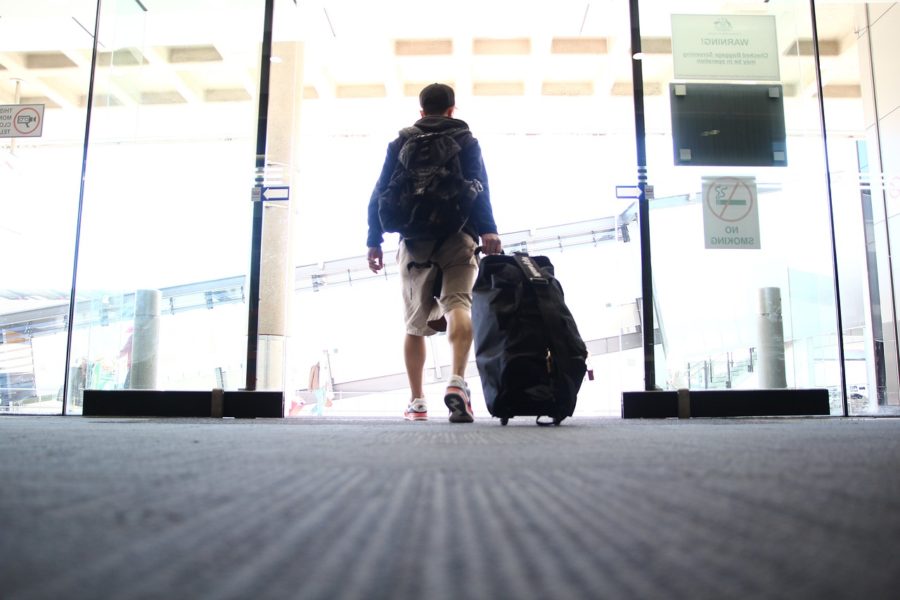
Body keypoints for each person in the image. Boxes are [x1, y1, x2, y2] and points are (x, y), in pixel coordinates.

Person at [366, 83, 502, 423]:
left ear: (421, 111)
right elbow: (480, 187)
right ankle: (457, 380)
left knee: (414, 325)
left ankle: (418, 401)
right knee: (459, 304)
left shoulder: (401, 142)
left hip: (414, 242)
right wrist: (489, 230)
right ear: (452, 109)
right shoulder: (466, 141)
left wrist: (373, 238)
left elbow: (381, 190)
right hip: (459, 236)